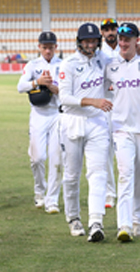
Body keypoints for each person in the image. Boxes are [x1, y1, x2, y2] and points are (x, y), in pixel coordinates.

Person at [58, 23, 112, 242]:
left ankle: (96, 222)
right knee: (71, 175)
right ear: (79, 42)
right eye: (87, 41)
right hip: (73, 122)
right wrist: (93, 101)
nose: (91, 45)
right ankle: (73, 218)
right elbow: (64, 98)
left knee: (98, 173)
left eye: (94, 41)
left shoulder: (103, 59)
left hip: (97, 123)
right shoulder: (68, 64)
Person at [17, 31, 63, 214]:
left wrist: (53, 87)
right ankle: (39, 191)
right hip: (38, 115)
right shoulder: (32, 65)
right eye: (44, 47)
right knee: (37, 158)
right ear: (39, 47)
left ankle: (52, 200)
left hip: (57, 114)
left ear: (55, 47)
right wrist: (37, 82)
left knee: (56, 159)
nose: (48, 51)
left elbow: (66, 91)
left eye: (51, 47)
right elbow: (20, 86)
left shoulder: (63, 65)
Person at [105, 23, 140, 241]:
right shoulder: (110, 66)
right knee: (125, 175)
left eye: (128, 39)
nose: (123, 43)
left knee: (138, 178)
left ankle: (136, 220)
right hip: (121, 130)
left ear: (137, 40)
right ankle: (124, 225)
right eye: (121, 38)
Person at [100, 18, 119, 209]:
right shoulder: (99, 53)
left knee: (126, 152)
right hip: (105, 106)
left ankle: (127, 191)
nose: (110, 32)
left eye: (113, 28)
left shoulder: (126, 48)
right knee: (105, 152)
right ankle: (109, 194)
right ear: (102, 32)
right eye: (106, 29)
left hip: (125, 106)